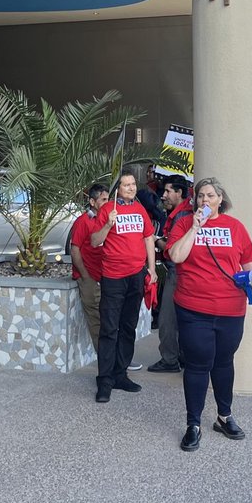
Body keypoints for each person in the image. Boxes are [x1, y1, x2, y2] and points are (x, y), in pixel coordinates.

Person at [165, 177, 252, 451]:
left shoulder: (235, 227)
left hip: (231, 308)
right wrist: (194, 228)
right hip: (194, 308)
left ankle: (224, 416)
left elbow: (249, 263)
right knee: (196, 364)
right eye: (200, 196)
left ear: (220, 200)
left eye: (210, 195)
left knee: (224, 362)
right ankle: (193, 423)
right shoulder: (184, 224)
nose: (204, 200)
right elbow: (176, 256)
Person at [89, 167, 156, 403]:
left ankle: (120, 374)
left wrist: (152, 268)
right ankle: (104, 380)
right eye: (126, 184)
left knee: (128, 327)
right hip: (113, 278)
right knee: (109, 329)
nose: (131, 187)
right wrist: (108, 225)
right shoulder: (108, 209)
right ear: (117, 189)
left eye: (133, 184)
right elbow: (95, 242)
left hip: (136, 276)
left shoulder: (140, 210)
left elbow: (148, 237)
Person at [149, 175, 193, 373]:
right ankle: (183, 356)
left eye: (168, 191)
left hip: (178, 273)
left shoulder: (181, 217)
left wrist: (155, 240)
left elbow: (174, 249)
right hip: (184, 273)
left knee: (167, 320)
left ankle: (169, 360)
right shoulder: (182, 213)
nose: (163, 196)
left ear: (179, 193)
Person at [70, 184, 109, 352]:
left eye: (109, 199)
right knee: (97, 321)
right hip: (90, 279)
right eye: (103, 200)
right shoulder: (83, 221)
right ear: (92, 202)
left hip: (105, 276)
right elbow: (75, 249)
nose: (107, 203)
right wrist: (85, 276)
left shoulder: (107, 220)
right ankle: (106, 361)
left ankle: (115, 359)